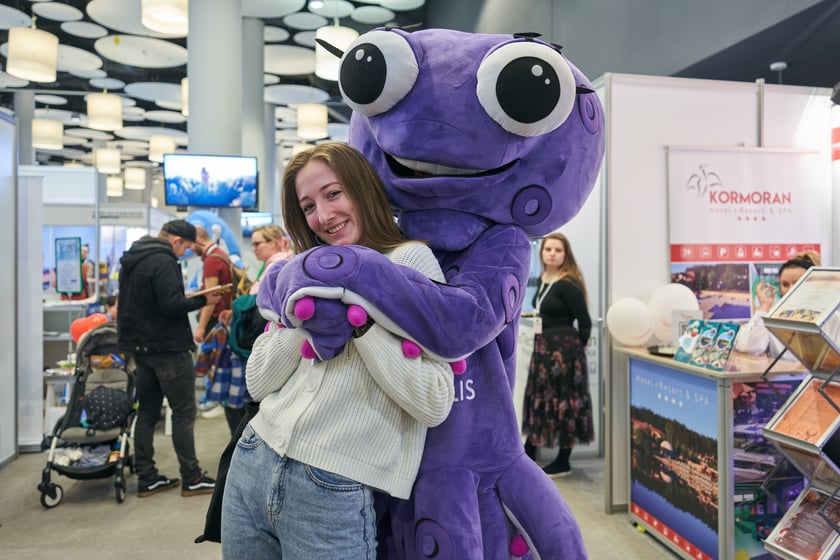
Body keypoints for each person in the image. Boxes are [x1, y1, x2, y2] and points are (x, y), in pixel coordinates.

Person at [221, 142, 455, 558]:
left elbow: (435, 401)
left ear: (361, 188)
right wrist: (307, 316)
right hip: (254, 457)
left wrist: (359, 320)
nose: (324, 216)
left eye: (333, 194)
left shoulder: (409, 262)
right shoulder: (302, 269)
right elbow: (257, 381)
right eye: (308, 206)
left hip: (333, 483)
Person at [117, 219, 221, 498]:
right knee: (184, 413)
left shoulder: (133, 257)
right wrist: (204, 300)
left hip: (141, 349)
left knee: (147, 412)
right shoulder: (164, 261)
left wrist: (183, 296)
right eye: (185, 248)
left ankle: (147, 478)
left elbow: (151, 301)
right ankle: (192, 477)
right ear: (176, 241)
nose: (184, 253)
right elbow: (171, 305)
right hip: (168, 348)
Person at [522, 232, 594, 478]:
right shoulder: (543, 279)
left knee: (565, 403)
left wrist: (575, 350)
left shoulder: (567, 283)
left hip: (564, 353)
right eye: (548, 249)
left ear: (566, 255)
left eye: (558, 250)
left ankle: (563, 460)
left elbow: (585, 322)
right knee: (540, 398)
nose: (552, 254)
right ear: (541, 253)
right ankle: (530, 449)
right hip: (544, 350)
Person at [211, 224, 293, 434]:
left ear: (274, 243)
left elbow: (260, 306)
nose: (254, 248)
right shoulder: (272, 265)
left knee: (246, 401)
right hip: (260, 341)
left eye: (258, 244)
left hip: (257, 343)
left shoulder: (277, 266)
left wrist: (238, 306)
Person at [735, 250, 820, 360]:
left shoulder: (832, 319)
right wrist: (764, 307)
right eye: (785, 284)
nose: (790, 289)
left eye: (797, 283)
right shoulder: (773, 317)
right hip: (781, 371)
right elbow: (747, 348)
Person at [193, 225, 233, 343]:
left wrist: (201, 328)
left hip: (214, 318)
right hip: (222, 316)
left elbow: (211, 297)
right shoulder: (221, 254)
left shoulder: (211, 261)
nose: (190, 248)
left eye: (190, 244)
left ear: (198, 240)